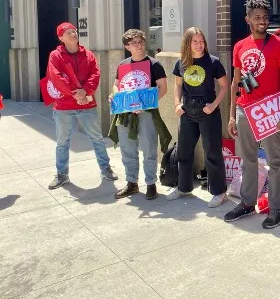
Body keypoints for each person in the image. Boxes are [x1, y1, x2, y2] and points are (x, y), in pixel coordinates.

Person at [224, 0, 280, 228]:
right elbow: (235, 83)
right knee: (248, 160)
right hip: (246, 109)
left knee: (274, 161)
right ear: (248, 20)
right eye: (257, 18)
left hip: (270, 111)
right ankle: (247, 203)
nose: (262, 21)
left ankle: (277, 208)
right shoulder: (239, 46)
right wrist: (232, 115)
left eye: (265, 17)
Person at [46, 22, 118, 189]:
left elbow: (95, 74)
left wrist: (85, 91)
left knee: (97, 138)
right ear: (61, 38)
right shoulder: (55, 56)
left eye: (74, 31)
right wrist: (75, 94)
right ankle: (62, 174)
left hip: (87, 104)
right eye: (69, 32)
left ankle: (105, 168)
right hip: (64, 106)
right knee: (62, 142)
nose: (73, 34)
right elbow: (56, 77)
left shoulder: (88, 54)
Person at [168, 27, 229, 207]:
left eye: (201, 41)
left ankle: (219, 192)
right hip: (187, 110)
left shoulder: (213, 62)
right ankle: (183, 187)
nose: (199, 45)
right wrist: (177, 104)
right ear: (188, 43)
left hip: (207, 110)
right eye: (195, 41)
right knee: (184, 151)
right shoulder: (182, 63)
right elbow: (177, 85)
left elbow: (224, 86)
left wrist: (214, 105)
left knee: (212, 151)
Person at [108, 29, 170, 200]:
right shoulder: (123, 65)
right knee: (127, 149)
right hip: (126, 113)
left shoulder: (154, 64)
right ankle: (131, 183)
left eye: (141, 41)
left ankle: (151, 184)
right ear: (127, 46)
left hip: (146, 113)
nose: (139, 45)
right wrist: (116, 95)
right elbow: (117, 85)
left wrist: (146, 104)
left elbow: (163, 88)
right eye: (134, 43)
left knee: (149, 148)